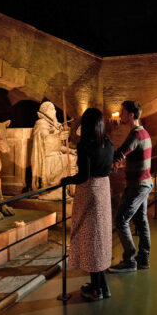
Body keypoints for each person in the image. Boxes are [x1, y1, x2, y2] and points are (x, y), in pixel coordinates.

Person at [61, 108, 113, 301]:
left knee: (92, 240)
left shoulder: (86, 146)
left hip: (90, 191)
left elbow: (84, 175)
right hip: (103, 190)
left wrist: (66, 180)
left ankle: (97, 290)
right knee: (99, 239)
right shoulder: (108, 143)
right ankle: (102, 286)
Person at [109, 100, 153, 273]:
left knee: (121, 220)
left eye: (123, 112)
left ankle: (129, 260)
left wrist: (109, 161)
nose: (121, 115)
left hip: (137, 185)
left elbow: (121, 153)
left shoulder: (135, 135)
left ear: (131, 115)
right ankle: (143, 258)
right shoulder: (144, 132)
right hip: (145, 183)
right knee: (141, 220)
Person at [31, 101, 77, 200]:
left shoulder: (55, 124)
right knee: (70, 159)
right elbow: (44, 140)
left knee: (74, 157)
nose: (54, 111)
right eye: (51, 109)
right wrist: (58, 136)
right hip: (47, 159)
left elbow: (59, 147)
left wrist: (70, 150)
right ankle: (55, 190)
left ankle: (70, 190)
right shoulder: (41, 123)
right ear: (45, 111)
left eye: (54, 109)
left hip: (56, 155)